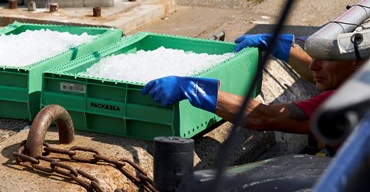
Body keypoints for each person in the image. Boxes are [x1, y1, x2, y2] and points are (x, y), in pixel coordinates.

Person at [142, 33, 364, 155]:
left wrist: (192, 89)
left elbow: (263, 117)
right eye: (313, 57)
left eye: (324, 60)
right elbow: (323, 71)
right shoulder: (360, 72)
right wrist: (281, 46)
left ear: (355, 62)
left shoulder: (341, 102)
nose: (314, 66)